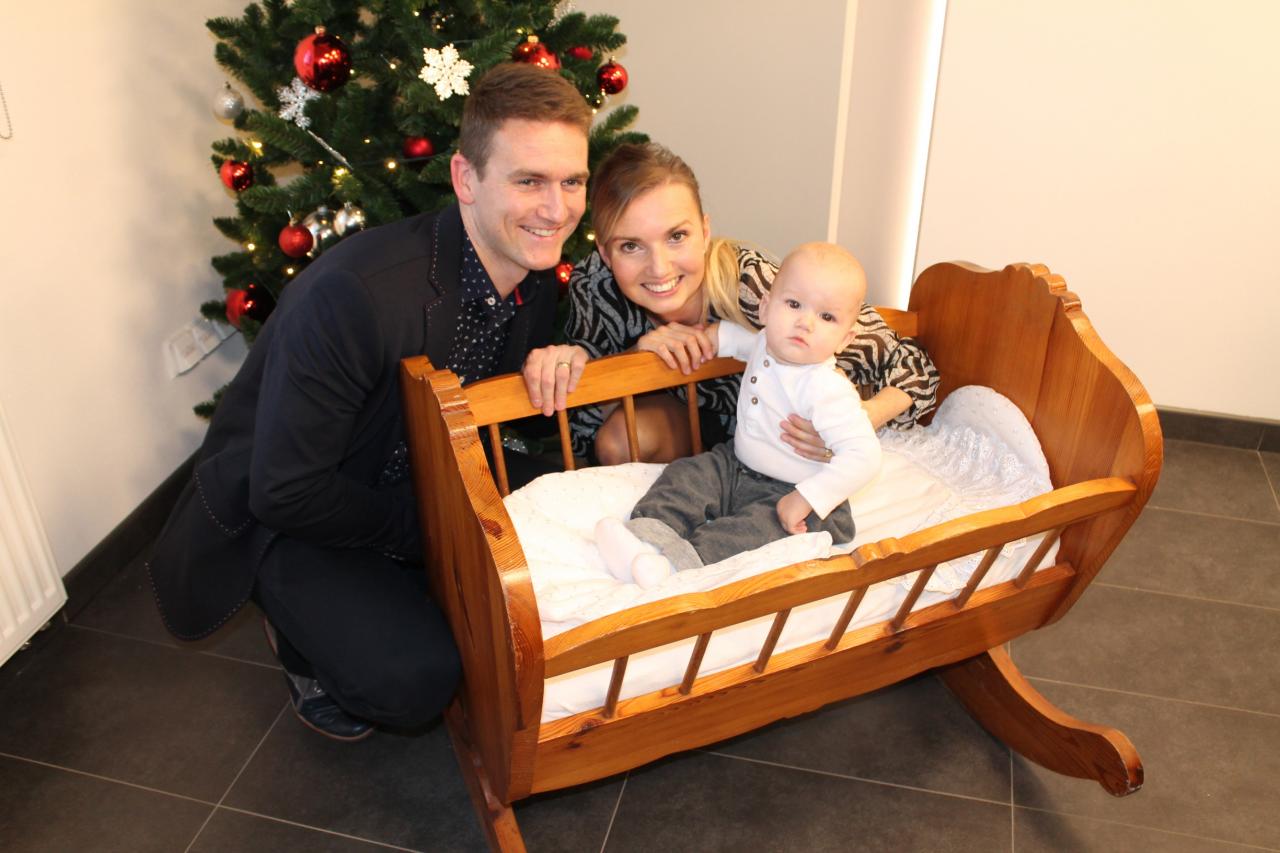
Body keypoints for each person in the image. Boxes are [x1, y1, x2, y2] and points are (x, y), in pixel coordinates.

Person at [148, 63, 592, 741]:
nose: (556, 210)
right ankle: (299, 646)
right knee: (414, 680)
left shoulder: (530, 273)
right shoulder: (356, 296)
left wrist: (570, 354)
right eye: (529, 181)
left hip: (405, 471)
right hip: (290, 515)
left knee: (574, 519)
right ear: (466, 179)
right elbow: (285, 492)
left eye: (572, 182)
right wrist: (432, 532)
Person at [523, 142, 941, 466]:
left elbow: (913, 366)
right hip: (699, 440)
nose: (659, 267)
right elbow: (582, 430)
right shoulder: (596, 287)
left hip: (781, 441)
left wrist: (860, 420)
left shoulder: (753, 285)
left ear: (705, 232)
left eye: (677, 236)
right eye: (631, 246)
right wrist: (634, 359)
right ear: (605, 253)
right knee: (619, 437)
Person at [594, 242, 882, 588]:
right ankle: (646, 538)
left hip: (793, 496)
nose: (805, 323)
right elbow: (728, 337)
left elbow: (865, 456)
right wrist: (702, 340)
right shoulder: (764, 342)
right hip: (735, 464)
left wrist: (807, 498)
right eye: (794, 304)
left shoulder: (826, 388)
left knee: (749, 533)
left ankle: (674, 567)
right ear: (766, 307)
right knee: (687, 476)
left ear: (846, 338)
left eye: (827, 317)